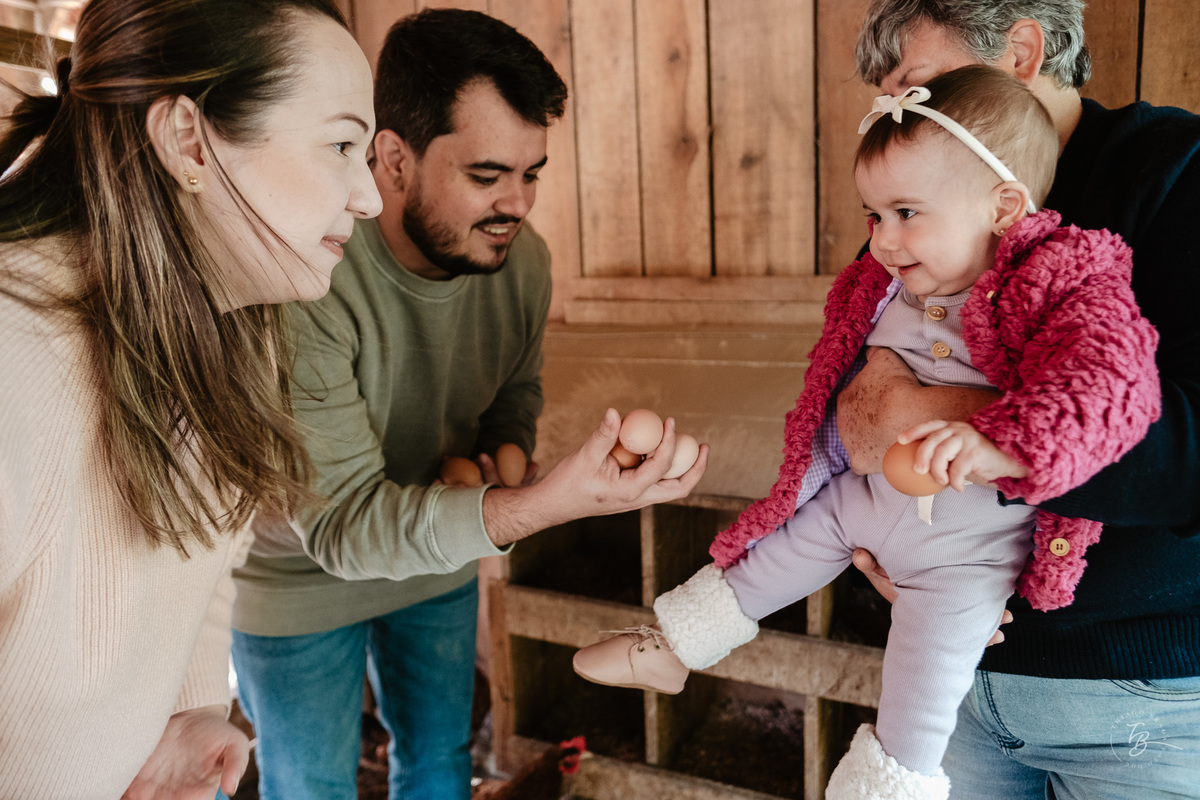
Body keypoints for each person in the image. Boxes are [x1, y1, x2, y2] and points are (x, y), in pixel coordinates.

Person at [573, 65, 1161, 799]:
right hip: (865, 499)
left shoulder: (1063, 278)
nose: (882, 239)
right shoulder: (888, 278)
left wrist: (999, 438)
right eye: (872, 216)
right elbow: (834, 377)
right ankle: (671, 645)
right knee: (778, 548)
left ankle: (883, 788)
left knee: (921, 690)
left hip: (967, 557)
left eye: (907, 212)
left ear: (1004, 206)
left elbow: (1112, 385)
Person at [228, 9, 708, 800]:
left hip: (435, 564)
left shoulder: (522, 267)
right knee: (309, 786)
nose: (517, 204)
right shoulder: (309, 281)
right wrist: (535, 504)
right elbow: (344, 529)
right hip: (297, 577)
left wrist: (505, 462)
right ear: (392, 160)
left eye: (532, 173)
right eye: (486, 176)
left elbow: (513, 394)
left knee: (441, 764)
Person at [0, 1, 383, 798]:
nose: (370, 199)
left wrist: (185, 706)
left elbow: (207, 542)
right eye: (342, 146)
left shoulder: (234, 320)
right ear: (186, 139)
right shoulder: (14, 364)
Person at [845, 2, 1200, 798]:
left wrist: (943, 419)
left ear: (1024, 51)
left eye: (921, 87)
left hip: (1148, 700)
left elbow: (1192, 450)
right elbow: (852, 412)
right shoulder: (923, 193)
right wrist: (879, 552)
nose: (905, 121)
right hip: (958, 684)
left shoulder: (1179, 173)